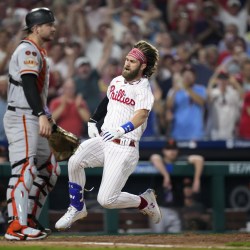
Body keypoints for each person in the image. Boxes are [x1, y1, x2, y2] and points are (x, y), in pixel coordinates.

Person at [55, 40, 162, 230]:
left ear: (142, 65)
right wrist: (92, 120)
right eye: (127, 59)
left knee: (106, 200)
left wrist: (122, 129)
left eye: (132, 61)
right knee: (74, 160)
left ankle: (145, 202)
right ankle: (77, 207)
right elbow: (107, 101)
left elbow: (142, 114)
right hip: (105, 140)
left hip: (125, 146)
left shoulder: (143, 87)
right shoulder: (117, 80)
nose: (127, 63)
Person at [3, 8, 60, 240]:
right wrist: (40, 113)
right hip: (23, 116)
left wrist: (45, 114)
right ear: (37, 28)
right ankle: (16, 226)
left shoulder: (36, 50)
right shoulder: (27, 49)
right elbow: (28, 84)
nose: (53, 28)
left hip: (32, 115)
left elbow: (33, 88)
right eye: (49, 24)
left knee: (49, 170)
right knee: (24, 169)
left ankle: (28, 218)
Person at [149, 139, 204, 233]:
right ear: (164, 151)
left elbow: (199, 159)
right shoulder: (160, 161)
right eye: (169, 149)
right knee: (157, 240)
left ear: (177, 151)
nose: (171, 152)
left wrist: (197, 180)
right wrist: (166, 175)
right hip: (158, 208)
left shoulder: (181, 161)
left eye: (174, 149)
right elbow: (154, 158)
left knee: (175, 239)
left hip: (176, 209)